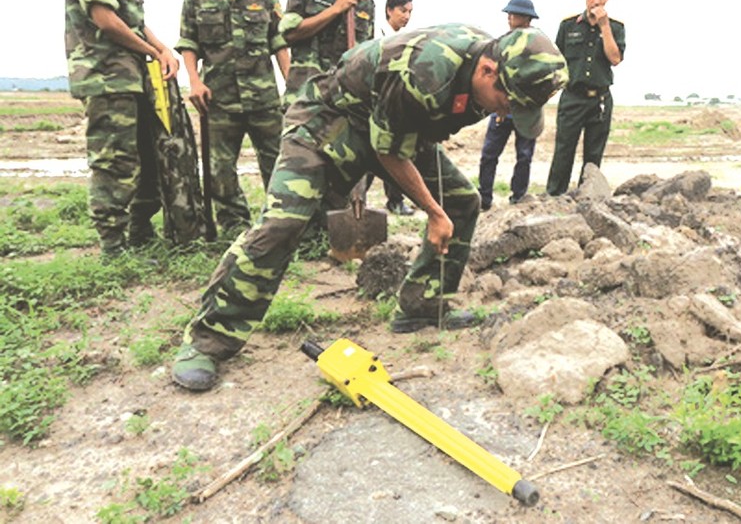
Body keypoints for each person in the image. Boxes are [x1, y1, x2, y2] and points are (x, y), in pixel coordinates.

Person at [171, 25, 568, 391]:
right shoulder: (426, 70)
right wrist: (433, 212)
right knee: (283, 223)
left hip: (390, 127)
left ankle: (422, 304)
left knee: (463, 202)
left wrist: (442, 207)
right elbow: (388, 153)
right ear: (486, 70)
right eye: (507, 102)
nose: (504, 113)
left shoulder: (494, 63)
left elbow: (405, 135)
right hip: (326, 122)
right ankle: (207, 340)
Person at [62, 0, 179, 257]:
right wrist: (151, 51)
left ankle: (140, 234)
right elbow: (106, 20)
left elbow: (132, 17)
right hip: (105, 77)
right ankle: (113, 249)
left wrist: (163, 49)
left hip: (131, 79)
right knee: (115, 164)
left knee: (147, 158)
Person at [176, 0, 289, 237]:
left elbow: (278, 42)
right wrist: (195, 82)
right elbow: (188, 43)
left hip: (264, 98)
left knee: (279, 165)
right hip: (220, 99)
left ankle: (280, 226)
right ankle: (235, 228)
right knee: (220, 170)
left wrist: (291, 84)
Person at [545, 0, 626, 196]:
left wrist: (604, 26)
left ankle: (588, 198)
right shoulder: (568, 25)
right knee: (563, 151)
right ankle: (554, 197)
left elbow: (615, 59)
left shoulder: (616, 28)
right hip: (573, 97)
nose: (597, 1)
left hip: (600, 99)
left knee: (593, 155)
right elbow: (556, 62)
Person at [477, 0, 540, 210]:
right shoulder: (501, 43)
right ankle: (484, 198)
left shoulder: (537, 45)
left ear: (526, 19)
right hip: (500, 109)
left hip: (526, 111)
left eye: (513, 15)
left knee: (524, 156)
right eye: (509, 14)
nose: (509, 18)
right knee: (489, 155)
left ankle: (518, 197)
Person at [370, 0, 415, 215]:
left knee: (395, 151)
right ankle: (353, 202)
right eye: (402, 11)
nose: (406, 16)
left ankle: (395, 200)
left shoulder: (405, 39)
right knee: (368, 154)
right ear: (389, 10)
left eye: (409, 12)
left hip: (394, 104)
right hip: (373, 101)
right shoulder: (376, 34)